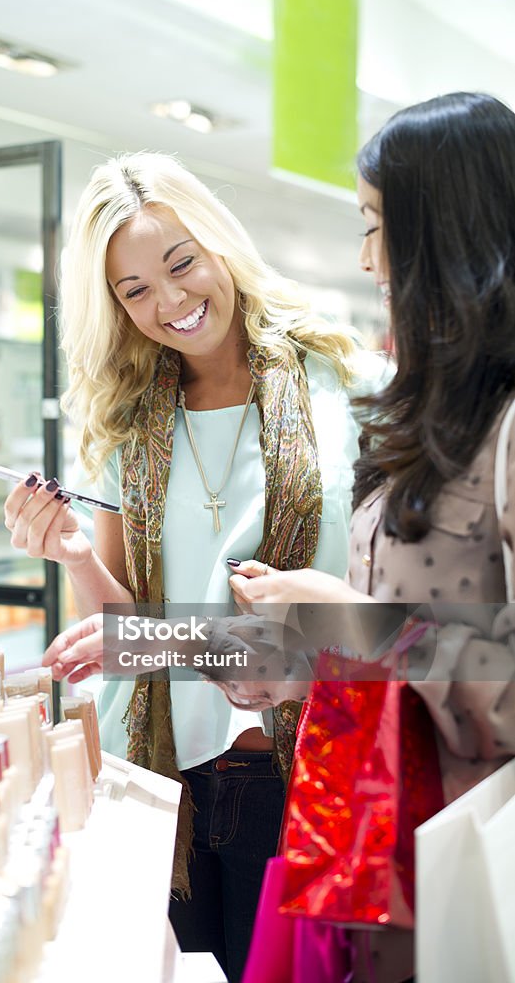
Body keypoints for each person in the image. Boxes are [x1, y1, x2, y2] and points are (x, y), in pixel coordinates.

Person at [3, 152, 388, 982]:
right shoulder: (125, 417)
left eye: (180, 265)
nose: (169, 302)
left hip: (304, 759)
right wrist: (73, 554)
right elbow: (126, 632)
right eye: (134, 290)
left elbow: (394, 599)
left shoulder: (345, 380)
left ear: (218, 244)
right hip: (163, 770)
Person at [226, 91, 515, 982]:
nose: (364, 261)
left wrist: (350, 620)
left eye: (373, 225)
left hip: (467, 878)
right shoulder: (425, 416)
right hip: (374, 847)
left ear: (445, 232)